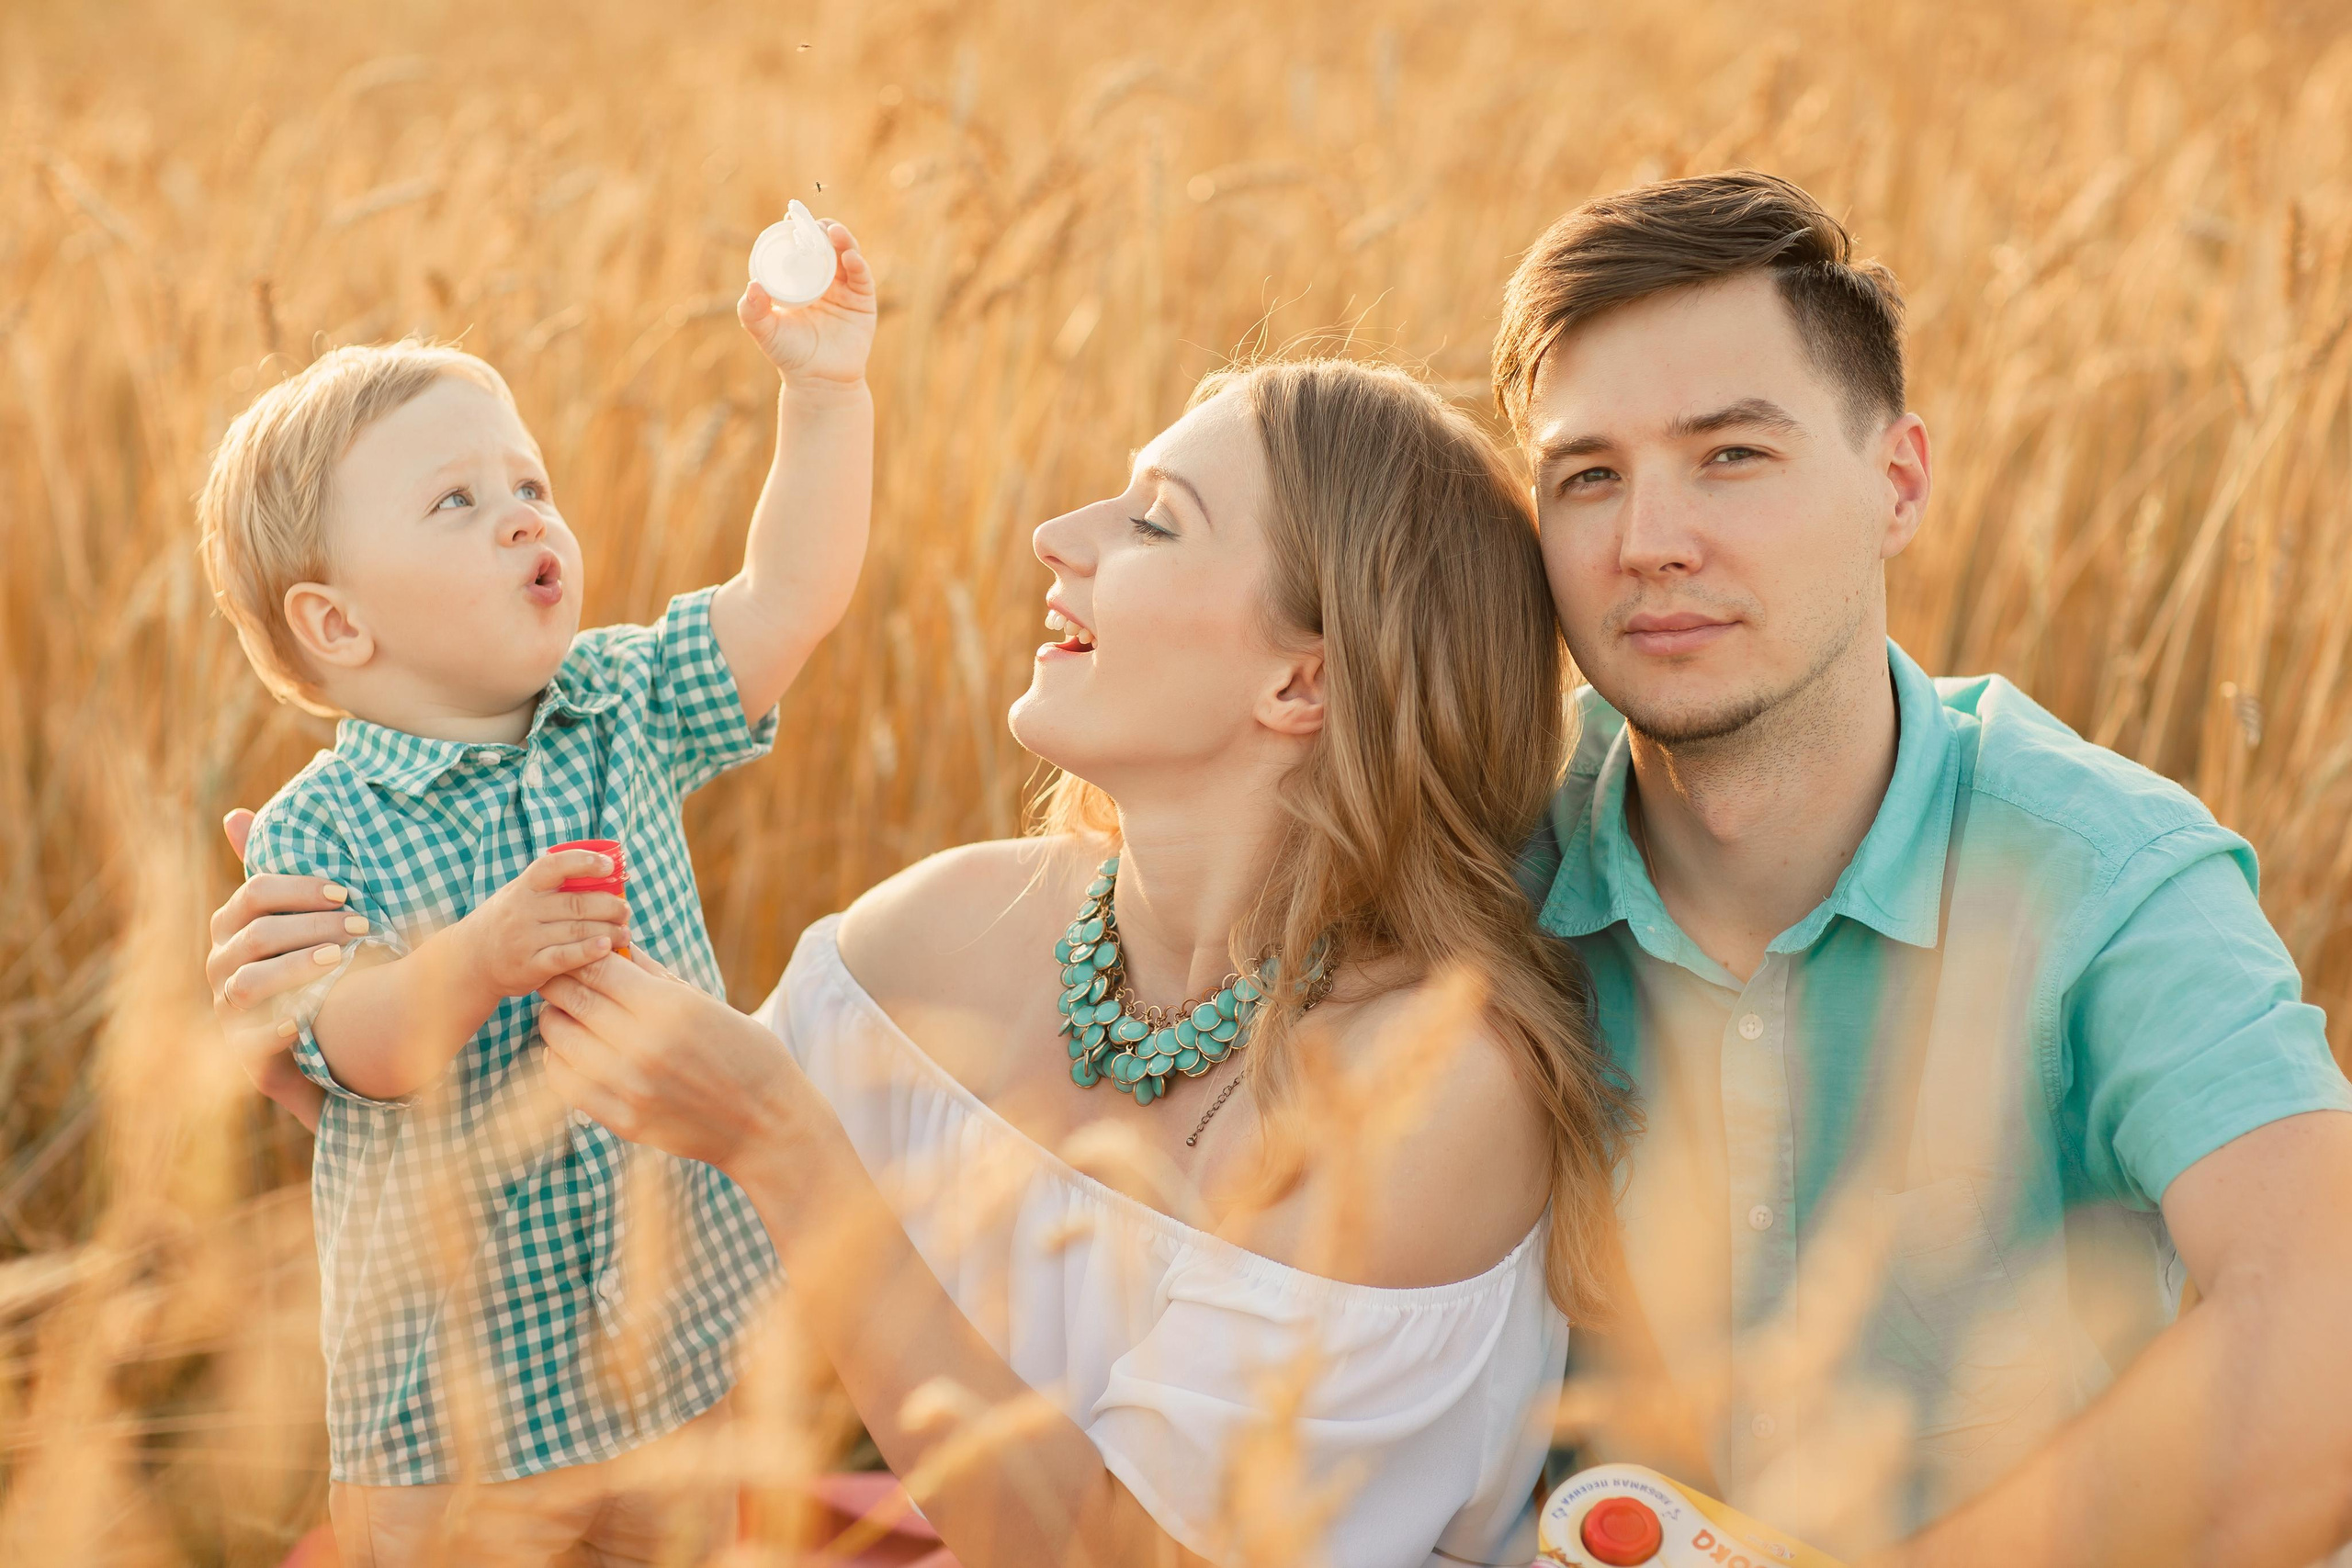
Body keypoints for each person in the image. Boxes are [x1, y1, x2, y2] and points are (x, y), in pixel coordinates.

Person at [208, 356, 1635, 1566]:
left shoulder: (1430, 1085)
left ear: (1302, 679)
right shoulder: (944, 934)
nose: (1058, 538)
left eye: (1152, 522)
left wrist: (783, 1137)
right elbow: (637, 1237)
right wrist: (378, 1069)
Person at [1496, 172, 2352, 1564]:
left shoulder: (2101, 872)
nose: (1648, 540)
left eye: (1732, 456)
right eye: (1588, 476)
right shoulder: (1482, 858)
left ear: (1897, 483)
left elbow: (2328, 1329)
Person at [194, 214, 876, 1564]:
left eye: (529, 482)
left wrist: (825, 388)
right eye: (457, 501)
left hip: (663, 1332)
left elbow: (788, 594)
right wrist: (483, 957)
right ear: (338, 623)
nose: (523, 512)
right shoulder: (320, 827)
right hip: (453, 1402)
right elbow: (351, 1051)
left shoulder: (621, 699)